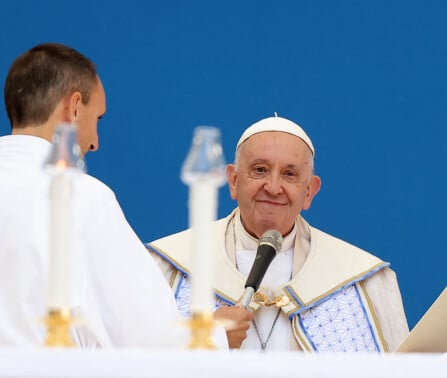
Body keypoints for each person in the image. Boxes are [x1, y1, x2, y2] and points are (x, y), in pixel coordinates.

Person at [148, 115, 409, 352]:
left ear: (309, 191)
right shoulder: (167, 267)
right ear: (234, 181)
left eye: (289, 174)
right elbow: (137, 359)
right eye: (260, 170)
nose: (273, 187)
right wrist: (207, 338)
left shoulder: (364, 281)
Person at [0, 43, 186, 348]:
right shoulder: (82, 197)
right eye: (97, 119)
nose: (95, 143)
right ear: (73, 108)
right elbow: (149, 334)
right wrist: (214, 336)